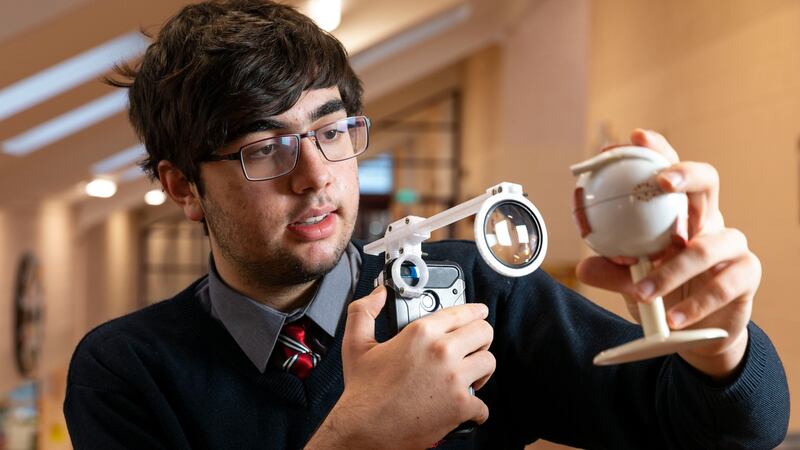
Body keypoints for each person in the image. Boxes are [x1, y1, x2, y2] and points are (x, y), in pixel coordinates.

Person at [63, 1, 790, 449]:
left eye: (333, 130)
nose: (316, 174)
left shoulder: (475, 291)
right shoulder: (125, 372)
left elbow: (719, 433)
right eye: (263, 148)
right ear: (183, 186)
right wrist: (359, 443)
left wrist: (718, 348)